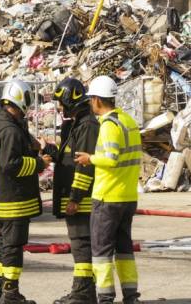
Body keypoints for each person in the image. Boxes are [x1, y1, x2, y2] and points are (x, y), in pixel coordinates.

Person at [74, 76, 142, 304]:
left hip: (108, 197)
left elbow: (111, 158)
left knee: (101, 253)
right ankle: (131, 295)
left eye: (91, 99)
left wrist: (89, 158)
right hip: (128, 197)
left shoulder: (109, 125)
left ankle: (105, 298)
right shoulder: (128, 121)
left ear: (96, 100)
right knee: (124, 250)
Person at [0, 80, 49, 304]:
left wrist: (36, 145)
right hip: (12, 201)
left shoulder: (2, 123)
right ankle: (11, 295)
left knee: (3, 247)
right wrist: (40, 164)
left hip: (1, 199)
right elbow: (11, 164)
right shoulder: (9, 129)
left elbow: (20, 139)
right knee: (13, 247)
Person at [46, 78, 99, 304]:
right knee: (78, 243)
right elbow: (65, 155)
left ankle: (83, 292)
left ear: (70, 100)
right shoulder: (75, 123)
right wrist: (46, 149)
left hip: (81, 198)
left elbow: (84, 165)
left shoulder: (87, 125)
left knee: (81, 243)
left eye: (61, 102)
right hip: (71, 194)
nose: (59, 107)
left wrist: (75, 198)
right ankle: (82, 291)